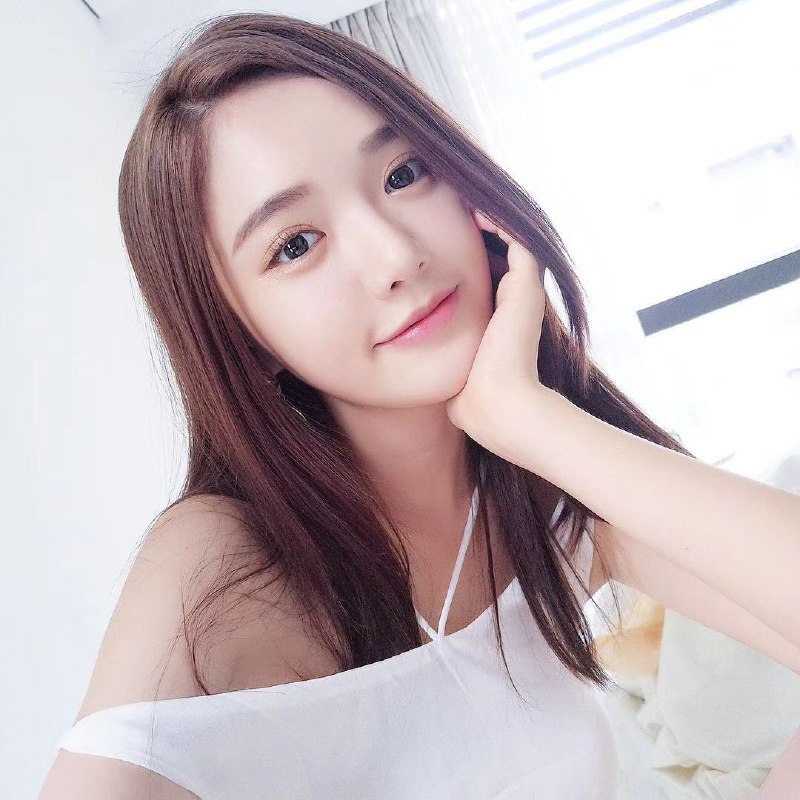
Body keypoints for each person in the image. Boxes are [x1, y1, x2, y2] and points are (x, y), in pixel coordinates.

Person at [39, 12, 800, 800]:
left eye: (404, 174)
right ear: (245, 337)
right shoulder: (223, 562)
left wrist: (528, 418)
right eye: (296, 244)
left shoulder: (544, 493)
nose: (397, 255)